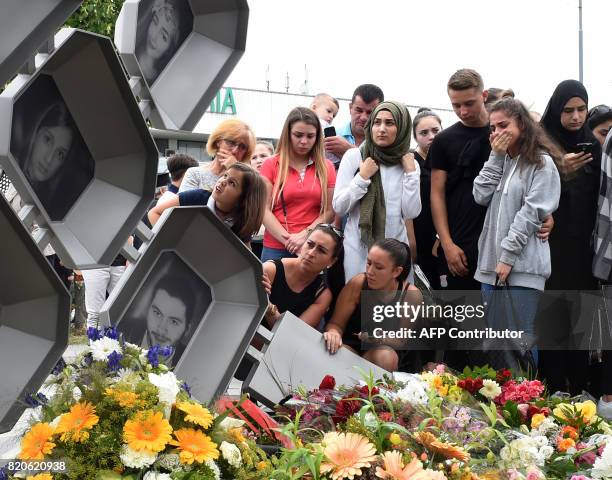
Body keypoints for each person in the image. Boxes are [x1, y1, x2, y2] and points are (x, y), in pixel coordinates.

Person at [473, 98, 561, 368]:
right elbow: (479, 194)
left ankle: (528, 403)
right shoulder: (501, 160)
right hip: (490, 267)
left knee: (520, 341)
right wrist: (495, 156)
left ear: (521, 124)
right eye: (493, 127)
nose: (498, 132)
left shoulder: (542, 164)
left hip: (522, 267)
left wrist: (508, 256)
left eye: (504, 125)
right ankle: (502, 405)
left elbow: (531, 213)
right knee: (497, 342)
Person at [538, 79, 602, 395]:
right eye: (568, 110)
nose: (576, 117)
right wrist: (558, 169)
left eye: (581, 110)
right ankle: (549, 396)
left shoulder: (595, 145)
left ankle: (578, 396)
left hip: (583, 255)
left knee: (580, 330)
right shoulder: (541, 145)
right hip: (550, 251)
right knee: (551, 329)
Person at [333, 100, 421, 282]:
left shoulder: (409, 163)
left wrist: (411, 174)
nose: (381, 129)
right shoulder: (355, 156)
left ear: (402, 127)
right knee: (359, 304)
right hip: (358, 248)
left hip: (395, 251)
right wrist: (362, 178)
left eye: (389, 123)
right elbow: (339, 207)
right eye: (376, 122)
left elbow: (411, 212)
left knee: (392, 307)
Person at [323, 239, 422, 371]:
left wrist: (378, 337)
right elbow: (336, 323)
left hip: (382, 352)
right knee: (333, 350)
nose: (370, 271)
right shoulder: (358, 283)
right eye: (368, 263)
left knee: (386, 357)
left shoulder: (411, 295)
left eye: (379, 267)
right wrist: (333, 332)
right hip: (350, 347)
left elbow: (401, 340)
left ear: (396, 272)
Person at [260, 107, 336, 261]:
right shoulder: (270, 164)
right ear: (288, 134)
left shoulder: (326, 166)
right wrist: (290, 242)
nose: (304, 141)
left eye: (310, 136)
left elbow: (329, 211)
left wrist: (305, 237)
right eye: (298, 135)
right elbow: (263, 210)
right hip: (275, 247)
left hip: (312, 247)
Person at [118, 259, 210, 367]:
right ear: (148, 310)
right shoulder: (122, 331)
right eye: (157, 313)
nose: (161, 328)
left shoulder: (190, 361)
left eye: (174, 321)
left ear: (187, 329)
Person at [148, 163, 266, 245]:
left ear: (244, 199)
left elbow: (245, 253)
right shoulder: (196, 197)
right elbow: (155, 212)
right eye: (225, 175)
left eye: (232, 183)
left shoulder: (242, 221)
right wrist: (171, 242)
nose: (223, 181)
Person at [263, 223, 343, 329]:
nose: (311, 253)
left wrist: (268, 308)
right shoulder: (270, 269)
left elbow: (292, 333)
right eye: (310, 244)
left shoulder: (322, 295)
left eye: (321, 250)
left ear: (332, 262)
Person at [409, 109, 443, 288]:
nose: (431, 137)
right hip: (417, 232)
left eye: (435, 131)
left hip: (443, 233)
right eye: (424, 133)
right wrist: (411, 240)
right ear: (415, 137)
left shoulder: (448, 161)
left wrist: (441, 236)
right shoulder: (410, 161)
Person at [180, 119, 255, 193]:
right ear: (218, 141)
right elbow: (185, 203)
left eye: (243, 147)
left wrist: (235, 171)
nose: (235, 150)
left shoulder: (248, 179)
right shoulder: (195, 173)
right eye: (231, 142)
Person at [135, 0, 190, 85]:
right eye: (155, 22)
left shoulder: (162, 83)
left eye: (163, 36)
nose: (154, 36)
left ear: (170, 48)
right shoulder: (130, 49)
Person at [324, 84, 384, 161]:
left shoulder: (384, 142)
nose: (363, 117)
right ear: (350, 108)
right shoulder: (329, 137)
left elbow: (384, 167)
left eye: (369, 113)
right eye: (359, 110)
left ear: (379, 112)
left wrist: (349, 150)